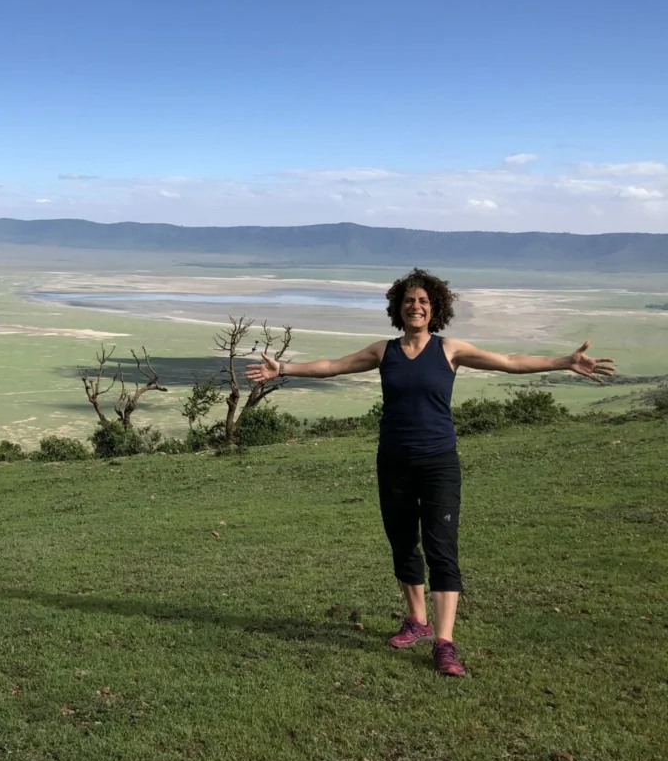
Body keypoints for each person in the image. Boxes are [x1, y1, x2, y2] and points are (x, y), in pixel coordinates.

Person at [245, 267, 615, 677]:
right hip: (393, 462)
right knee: (403, 544)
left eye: (423, 300)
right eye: (408, 300)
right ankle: (417, 621)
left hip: (438, 462)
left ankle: (444, 642)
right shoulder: (384, 351)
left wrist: (565, 360)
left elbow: (508, 361)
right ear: (397, 308)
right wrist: (286, 370)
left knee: (441, 549)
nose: (415, 306)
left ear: (435, 308)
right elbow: (333, 365)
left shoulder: (450, 350)